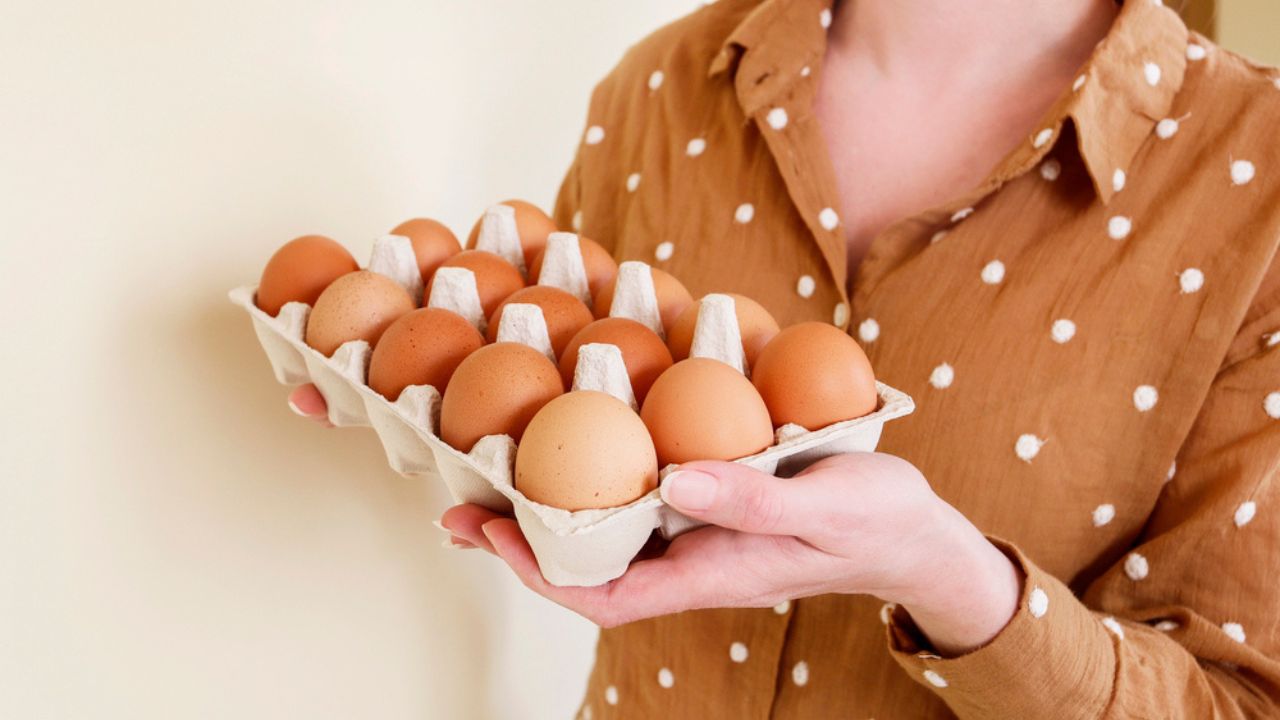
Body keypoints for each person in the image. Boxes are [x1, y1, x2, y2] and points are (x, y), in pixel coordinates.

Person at [290, 0, 1280, 716]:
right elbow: (553, 408)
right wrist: (414, 395)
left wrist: (952, 583)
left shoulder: (1254, 181)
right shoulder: (659, 89)